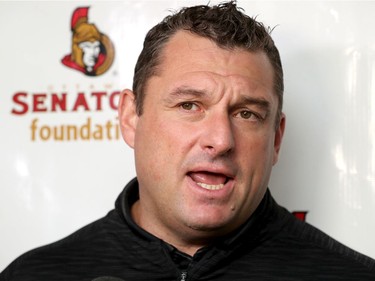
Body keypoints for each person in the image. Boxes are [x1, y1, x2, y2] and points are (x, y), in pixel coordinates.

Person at [1, 1, 374, 280]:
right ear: (131, 117)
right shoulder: (35, 274)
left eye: (247, 113)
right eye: (190, 104)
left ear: (276, 138)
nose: (220, 140)